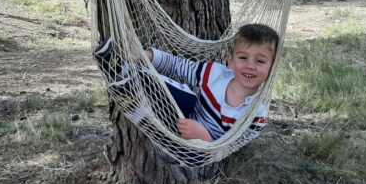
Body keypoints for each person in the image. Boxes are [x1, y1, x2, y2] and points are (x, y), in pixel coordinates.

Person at [94, 23, 278, 142]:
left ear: (272, 67)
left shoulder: (256, 115)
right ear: (230, 60)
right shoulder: (214, 73)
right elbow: (177, 66)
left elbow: (234, 146)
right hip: (176, 119)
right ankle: (124, 73)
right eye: (243, 58)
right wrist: (146, 56)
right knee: (185, 96)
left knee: (182, 143)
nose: (250, 66)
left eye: (260, 61)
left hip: (199, 152)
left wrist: (206, 138)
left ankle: (129, 92)